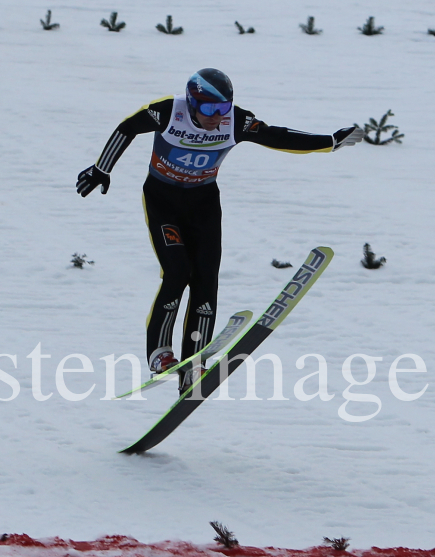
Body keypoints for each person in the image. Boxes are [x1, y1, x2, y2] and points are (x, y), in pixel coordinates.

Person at [76, 68, 364, 391]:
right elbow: (127, 127)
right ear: (192, 103)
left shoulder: (234, 122)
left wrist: (330, 142)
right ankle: (160, 352)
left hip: (203, 206)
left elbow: (277, 136)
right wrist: (102, 169)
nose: (217, 117)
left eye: (224, 108)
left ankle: (193, 366)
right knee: (177, 272)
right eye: (210, 109)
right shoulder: (170, 112)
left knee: (206, 279)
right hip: (163, 203)